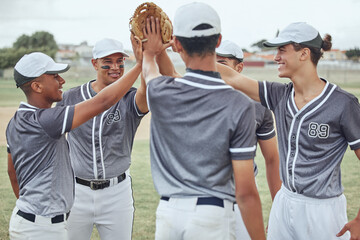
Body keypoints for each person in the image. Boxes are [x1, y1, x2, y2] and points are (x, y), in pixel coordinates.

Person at [217, 22, 360, 240]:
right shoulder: (279, 94)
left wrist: (359, 220)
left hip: (322, 210)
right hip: (284, 203)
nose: (276, 57)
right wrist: (187, 48)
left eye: (282, 50)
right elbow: (232, 77)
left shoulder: (343, 104)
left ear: (304, 53)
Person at [141, 3, 266, 240]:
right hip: (212, 215)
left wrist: (151, 51)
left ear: (177, 44)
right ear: (218, 41)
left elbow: (149, 72)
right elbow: (247, 192)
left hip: (168, 213)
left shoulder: (160, 91)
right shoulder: (241, 105)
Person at [6, 35, 143, 240]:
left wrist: (33, 208)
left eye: (120, 61)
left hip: (29, 217)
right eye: (54, 76)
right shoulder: (48, 120)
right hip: (45, 225)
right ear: (36, 86)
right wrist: (142, 62)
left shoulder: (16, 120)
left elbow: (12, 172)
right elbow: (104, 101)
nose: (62, 80)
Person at [56, 38, 147, 240]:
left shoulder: (131, 97)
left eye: (120, 61)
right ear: (95, 63)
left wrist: (147, 58)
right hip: (76, 192)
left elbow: (147, 90)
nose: (115, 67)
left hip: (117, 194)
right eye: (108, 61)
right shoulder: (71, 97)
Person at [216, 40, 281, 240]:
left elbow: (271, 159)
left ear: (239, 67)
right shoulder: (197, 99)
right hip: (205, 200)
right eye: (211, 62)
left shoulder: (258, 106)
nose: (215, 69)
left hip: (242, 202)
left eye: (222, 63)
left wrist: (277, 210)